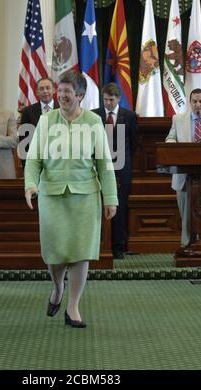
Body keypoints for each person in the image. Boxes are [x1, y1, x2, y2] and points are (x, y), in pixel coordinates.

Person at [24, 71, 118, 328]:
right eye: (60, 90)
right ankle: (57, 288)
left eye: (67, 91)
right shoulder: (46, 120)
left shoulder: (93, 122)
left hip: (85, 196)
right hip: (51, 196)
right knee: (55, 254)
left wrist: (110, 198)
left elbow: (104, 163)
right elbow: (34, 159)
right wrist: (30, 185)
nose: (61, 95)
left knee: (80, 253)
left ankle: (73, 306)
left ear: (80, 95)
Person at [165, 88, 201, 246]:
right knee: (186, 216)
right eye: (195, 101)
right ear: (190, 103)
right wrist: (174, 147)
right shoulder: (178, 119)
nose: (198, 105)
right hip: (184, 178)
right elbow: (170, 139)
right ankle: (186, 246)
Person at [94, 83, 139, 259]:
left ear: (118, 98)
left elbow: (134, 143)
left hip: (122, 168)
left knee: (119, 207)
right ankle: (98, 245)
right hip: (98, 167)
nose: (108, 103)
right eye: (105, 100)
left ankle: (118, 247)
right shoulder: (95, 115)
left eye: (111, 100)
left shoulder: (129, 116)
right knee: (98, 205)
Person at [19, 78, 59, 167]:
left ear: (54, 90)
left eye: (48, 88)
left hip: (59, 163)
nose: (45, 91)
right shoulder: (28, 112)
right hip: (36, 163)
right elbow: (23, 143)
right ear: (37, 92)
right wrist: (26, 166)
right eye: (41, 89)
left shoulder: (63, 110)